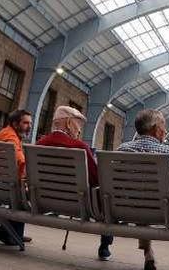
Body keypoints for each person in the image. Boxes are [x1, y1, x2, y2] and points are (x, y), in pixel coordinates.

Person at [117, 109, 169, 270]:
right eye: (164, 125)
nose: (166, 130)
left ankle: (148, 253)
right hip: (164, 211)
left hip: (130, 210)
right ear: (156, 129)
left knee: (140, 201)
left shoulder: (122, 149)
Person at [36, 105, 113, 261]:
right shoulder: (80, 147)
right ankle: (104, 246)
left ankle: (10, 231)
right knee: (106, 195)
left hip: (43, 200)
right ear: (69, 122)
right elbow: (96, 179)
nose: (79, 130)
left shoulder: (39, 145)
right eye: (78, 124)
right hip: (78, 203)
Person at [0, 109, 33, 246]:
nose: (29, 126)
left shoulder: (9, 134)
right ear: (15, 123)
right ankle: (10, 233)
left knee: (22, 193)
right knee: (26, 195)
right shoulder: (10, 137)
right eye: (26, 123)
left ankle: (12, 232)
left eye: (30, 123)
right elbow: (21, 161)